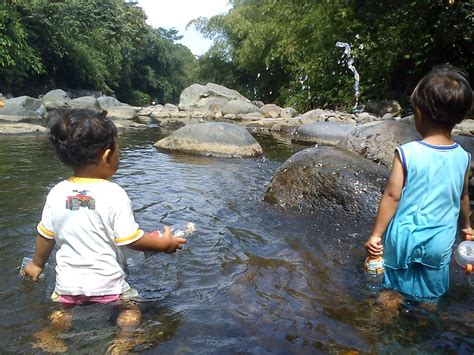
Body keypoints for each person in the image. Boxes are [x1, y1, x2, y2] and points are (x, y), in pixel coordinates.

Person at [23, 108, 186, 352]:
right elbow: (131, 239)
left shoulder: (56, 192)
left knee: (62, 312)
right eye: (119, 151)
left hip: (68, 287)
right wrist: (165, 244)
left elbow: (46, 235)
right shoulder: (114, 193)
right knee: (131, 309)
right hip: (108, 286)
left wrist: (36, 265)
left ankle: (51, 335)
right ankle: (123, 342)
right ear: (108, 156)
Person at [365, 65, 473, 305]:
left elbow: (392, 196)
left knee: (390, 291)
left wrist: (376, 235)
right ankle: (421, 335)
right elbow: (463, 197)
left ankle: (382, 330)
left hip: (403, 238)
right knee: (430, 297)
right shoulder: (464, 157)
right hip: (439, 242)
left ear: (419, 113)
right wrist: (466, 228)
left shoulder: (407, 153)